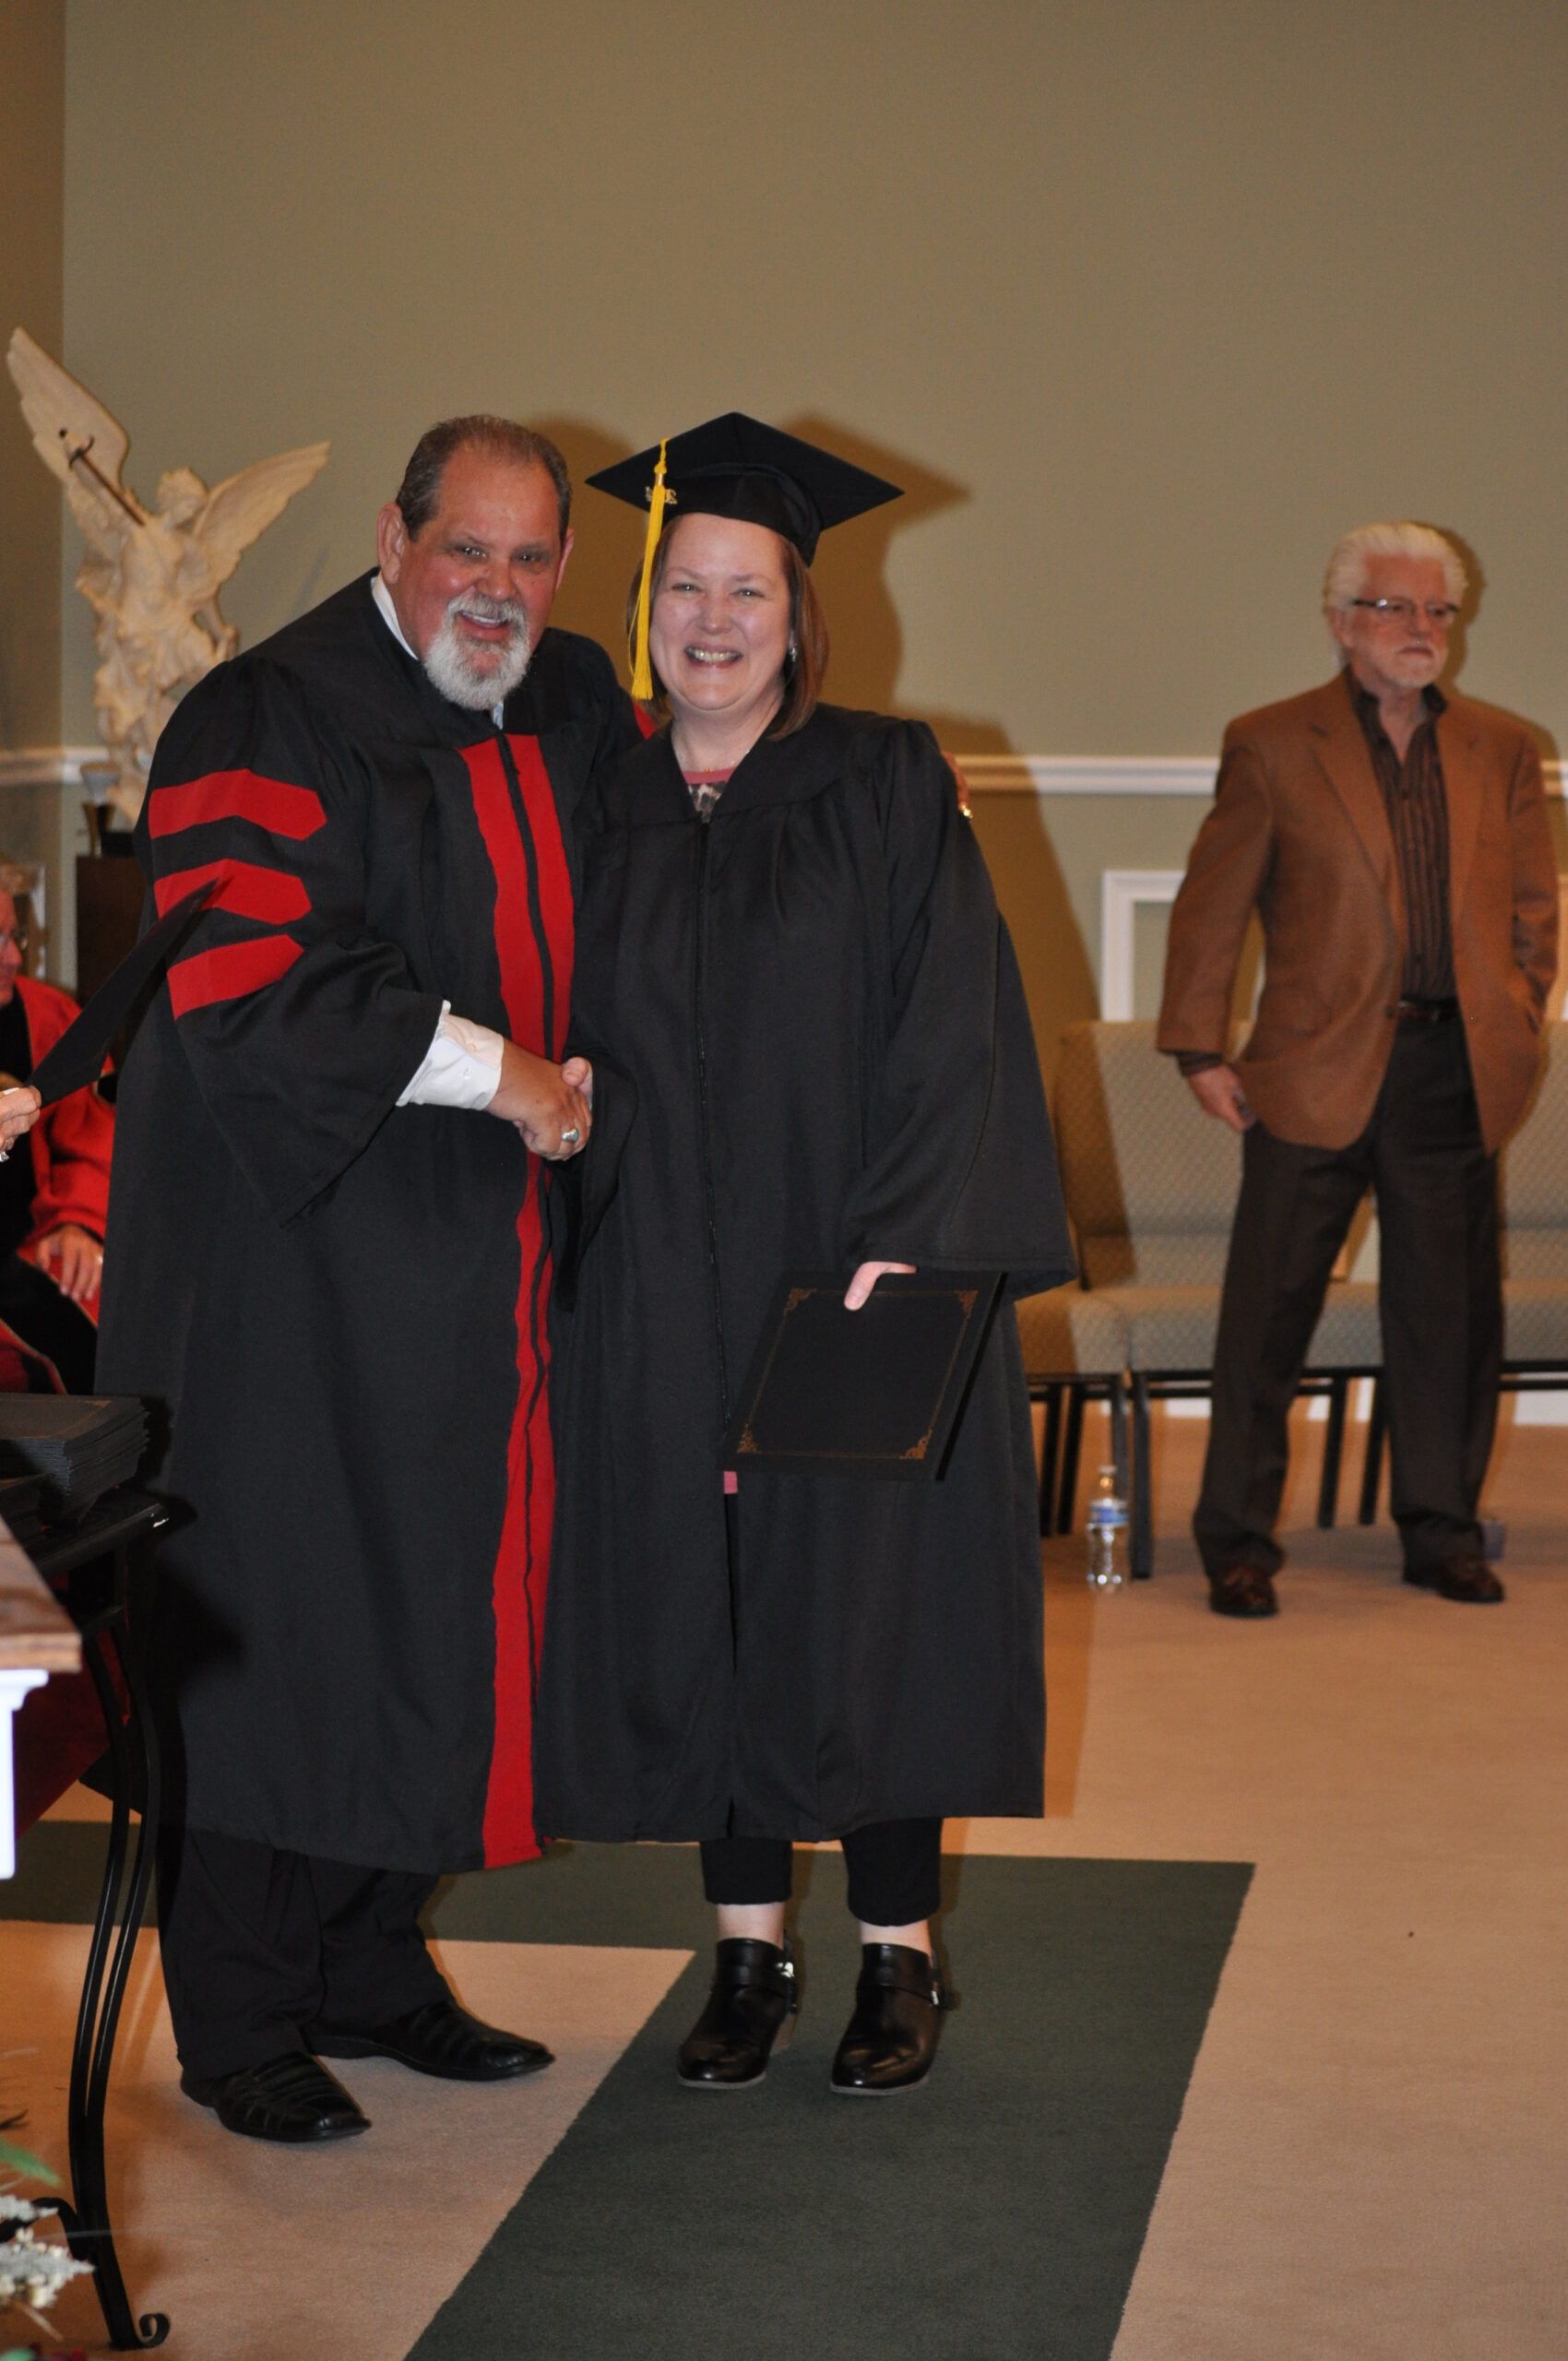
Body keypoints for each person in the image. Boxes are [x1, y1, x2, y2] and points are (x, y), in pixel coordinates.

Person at [95, 415, 639, 2144]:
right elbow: (260, 984)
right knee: (282, 1620)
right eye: (465, 550)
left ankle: (369, 1967)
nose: (496, 589)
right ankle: (242, 2016)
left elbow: (628, 915)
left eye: (531, 557)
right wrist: (519, 1079)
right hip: (289, 1267)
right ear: (397, 539)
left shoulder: (563, 705)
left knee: (438, 1605)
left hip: (474, 1263)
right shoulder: (266, 713)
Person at [535, 415, 1072, 2095]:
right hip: (648, 1277)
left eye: (744, 589)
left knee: (869, 1613)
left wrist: (902, 1253)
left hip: (845, 1279)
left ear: (797, 613)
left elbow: (957, 1026)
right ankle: (749, 1952)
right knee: (709, 1609)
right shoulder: (589, 793)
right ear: (645, 613)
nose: (712, 618)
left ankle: (900, 1960)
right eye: (682, 587)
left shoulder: (889, 780)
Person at [1158, 521, 1557, 1619]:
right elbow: (1212, 904)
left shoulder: (1501, 748)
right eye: (1394, 608)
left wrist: (1518, 1017)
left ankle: (1439, 1533)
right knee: (1265, 1322)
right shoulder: (1273, 742)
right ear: (1340, 624)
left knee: (1447, 1322)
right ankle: (1236, 1543)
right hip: (1310, 1068)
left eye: (1437, 610)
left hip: (1452, 1070)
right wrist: (1199, 1044)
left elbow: (1532, 910)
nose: (1419, 629)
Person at [0, 869, 113, 1392]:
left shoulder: (46, 1018)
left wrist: (77, 1222)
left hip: (35, 1242)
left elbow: (95, 1132)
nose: (15, 958)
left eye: (15, 936)